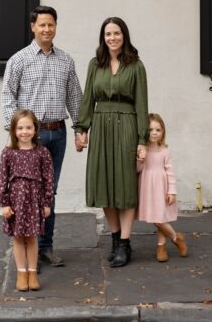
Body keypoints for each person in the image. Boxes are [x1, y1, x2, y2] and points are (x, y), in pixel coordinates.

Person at [1, 6, 84, 268]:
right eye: (42, 25)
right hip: (30, 139)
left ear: (56, 27)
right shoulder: (19, 60)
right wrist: (15, 133)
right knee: (25, 192)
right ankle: (25, 243)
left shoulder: (66, 61)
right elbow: (7, 97)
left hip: (57, 133)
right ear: (33, 27)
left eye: (51, 25)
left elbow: (75, 97)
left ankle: (45, 246)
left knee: (49, 192)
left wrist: (80, 129)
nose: (47, 29)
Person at [74, 16, 148, 268]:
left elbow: (141, 104)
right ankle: (116, 239)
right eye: (108, 34)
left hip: (126, 125)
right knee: (104, 185)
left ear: (124, 36)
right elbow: (87, 100)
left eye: (117, 33)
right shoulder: (95, 65)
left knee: (125, 187)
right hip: (101, 126)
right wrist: (81, 128)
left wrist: (142, 140)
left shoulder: (136, 66)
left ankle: (125, 243)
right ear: (102, 38)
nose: (112, 38)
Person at [0, 109, 54, 292]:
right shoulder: (8, 153)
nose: (24, 131)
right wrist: (4, 203)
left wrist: (46, 203)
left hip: (34, 201)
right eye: (20, 128)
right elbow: (1, 179)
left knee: (32, 236)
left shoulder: (42, 152)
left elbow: (48, 179)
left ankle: (32, 272)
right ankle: (21, 273)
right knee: (19, 237)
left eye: (28, 127)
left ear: (36, 129)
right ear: (13, 131)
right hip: (16, 203)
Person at [137, 113, 188, 262]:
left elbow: (170, 173)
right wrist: (140, 160)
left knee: (159, 216)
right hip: (147, 187)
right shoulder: (142, 149)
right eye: (151, 129)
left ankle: (161, 245)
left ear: (163, 132)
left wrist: (172, 191)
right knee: (155, 217)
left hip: (161, 186)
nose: (154, 132)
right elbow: (137, 169)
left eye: (158, 130)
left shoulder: (165, 151)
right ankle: (175, 237)